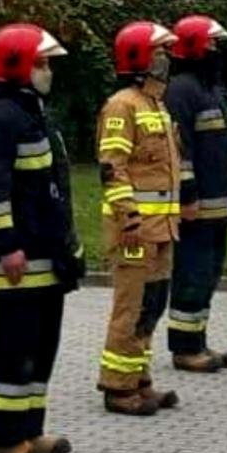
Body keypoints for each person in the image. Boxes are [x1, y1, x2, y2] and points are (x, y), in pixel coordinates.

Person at [0, 23, 85, 453]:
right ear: (18, 65)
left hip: (45, 254)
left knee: (41, 347)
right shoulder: (3, 116)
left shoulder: (32, 112)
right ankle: (5, 437)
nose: (47, 72)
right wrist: (6, 245)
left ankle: (30, 429)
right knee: (14, 348)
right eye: (40, 63)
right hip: (19, 258)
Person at [95, 21, 185, 415]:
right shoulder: (122, 105)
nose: (164, 60)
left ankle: (140, 378)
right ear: (138, 58)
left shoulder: (157, 105)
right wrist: (128, 218)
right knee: (130, 309)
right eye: (158, 53)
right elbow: (112, 168)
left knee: (152, 305)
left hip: (162, 227)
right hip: (135, 229)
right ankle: (117, 387)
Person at [164, 15, 227, 372]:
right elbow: (180, 150)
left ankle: (199, 339)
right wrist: (188, 197)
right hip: (197, 209)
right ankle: (184, 348)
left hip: (218, 207)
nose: (216, 50)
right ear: (195, 47)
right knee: (192, 276)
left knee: (208, 274)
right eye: (210, 43)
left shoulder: (207, 88)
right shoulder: (181, 90)